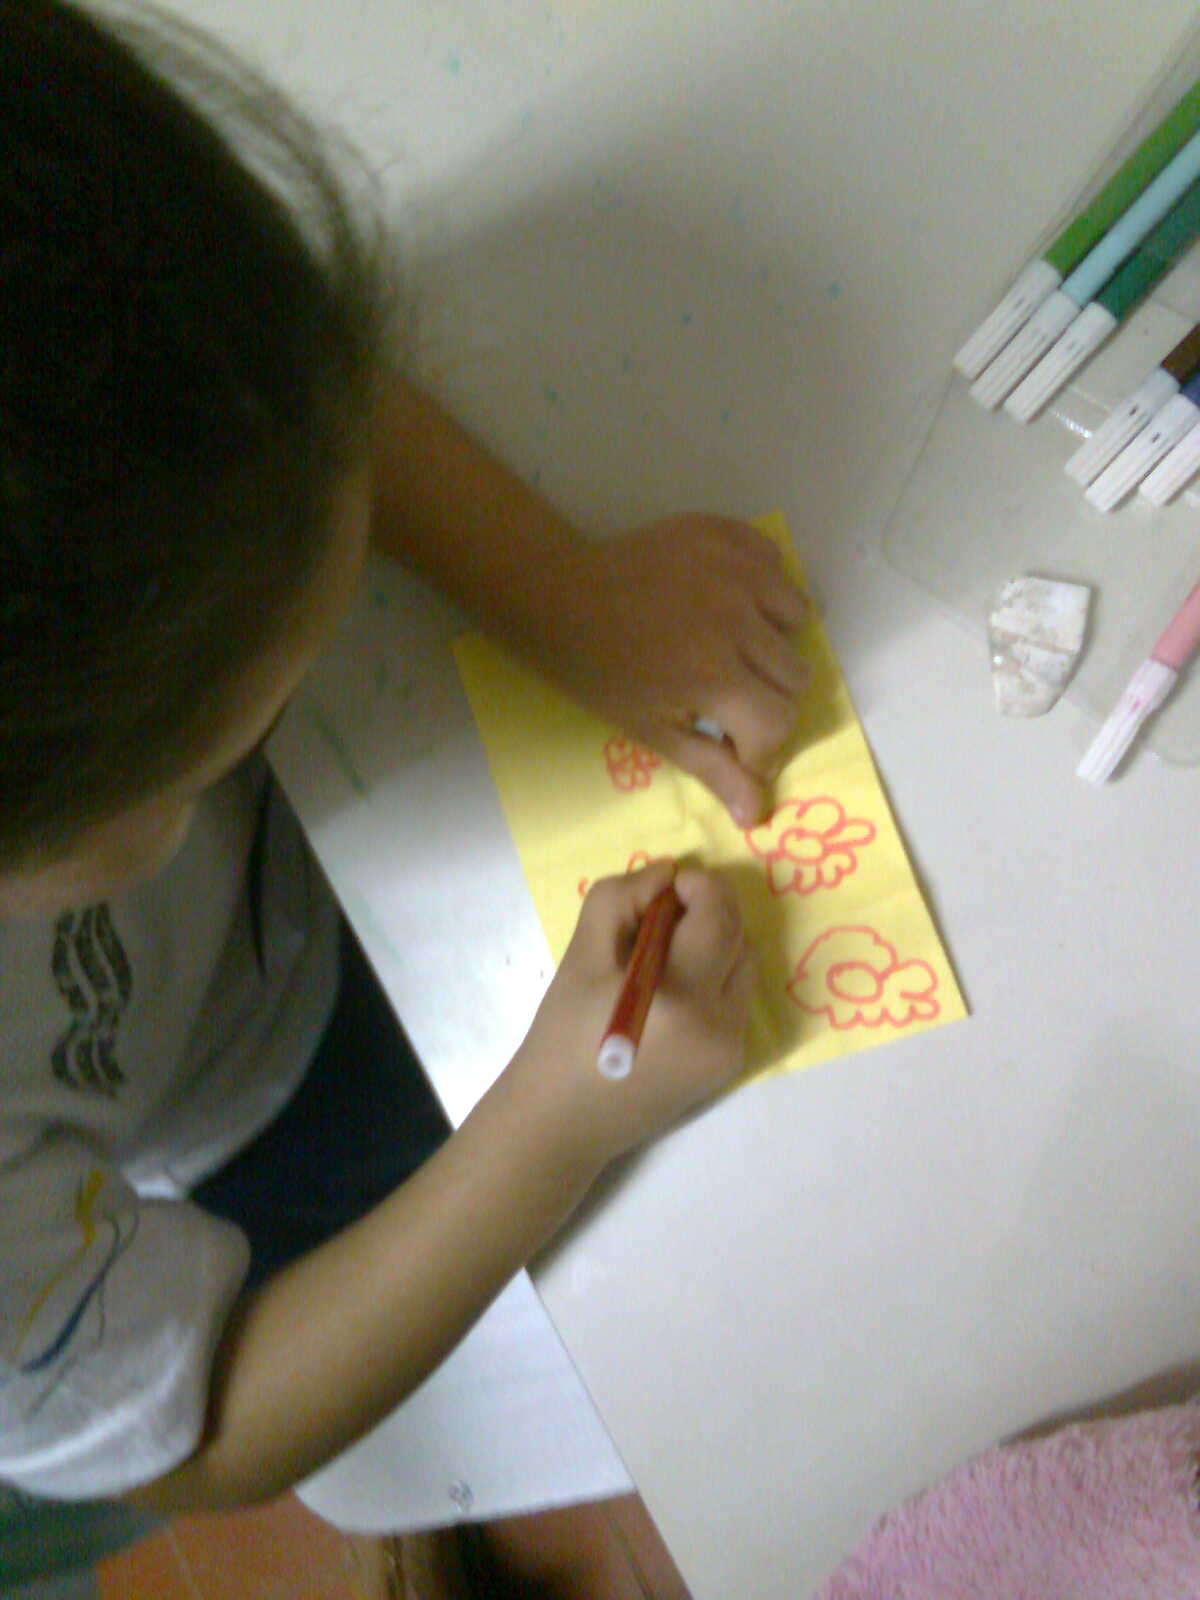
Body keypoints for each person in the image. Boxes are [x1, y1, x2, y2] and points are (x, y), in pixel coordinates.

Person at [0, 0, 807, 1549]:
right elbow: (209, 1437)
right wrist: (560, 1122)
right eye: (226, 724)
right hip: (260, 1116)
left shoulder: (86, 297)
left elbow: (286, 393)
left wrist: (567, 595)